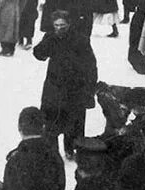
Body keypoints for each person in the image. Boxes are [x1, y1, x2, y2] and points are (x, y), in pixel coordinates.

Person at [33, 10, 98, 159]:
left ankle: (71, 150)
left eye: (62, 25)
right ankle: (52, 154)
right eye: (56, 25)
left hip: (75, 88)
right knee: (51, 122)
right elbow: (38, 54)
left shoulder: (80, 40)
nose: (59, 28)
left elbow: (91, 65)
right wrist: (48, 40)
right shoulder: (51, 37)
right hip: (54, 87)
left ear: (69, 24)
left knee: (73, 122)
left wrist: (89, 90)